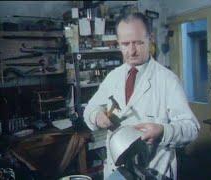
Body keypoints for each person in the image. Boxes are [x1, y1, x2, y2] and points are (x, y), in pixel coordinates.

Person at [83, 12, 200, 180]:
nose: (131, 51)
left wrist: (163, 131)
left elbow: (192, 128)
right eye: (125, 44)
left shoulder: (167, 80)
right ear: (118, 43)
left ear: (150, 39)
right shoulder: (113, 77)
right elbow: (90, 109)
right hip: (117, 172)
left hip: (154, 171)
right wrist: (96, 116)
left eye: (138, 43)